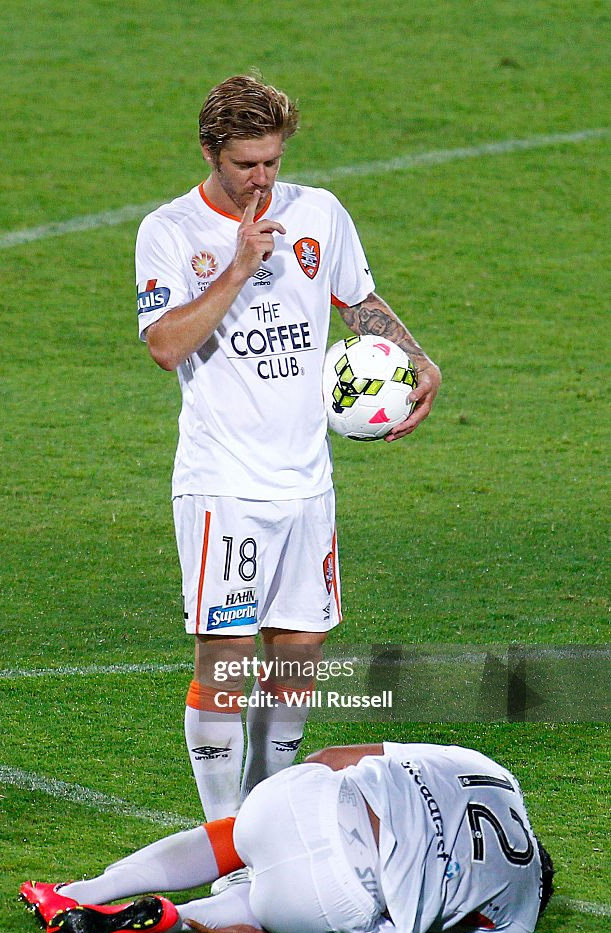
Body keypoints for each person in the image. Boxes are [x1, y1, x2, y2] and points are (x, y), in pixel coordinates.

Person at [135, 75, 442, 822]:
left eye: (271, 161)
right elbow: (166, 345)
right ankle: (221, 835)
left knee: (298, 656)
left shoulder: (319, 213)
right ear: (211, 152)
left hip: (307, 479)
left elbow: (357, 299)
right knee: (225, 662)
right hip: (223, 482)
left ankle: (264, 822)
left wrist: (414, 356)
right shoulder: (169, 231)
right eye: (245, 164)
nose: (261, 178)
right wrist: (237, 265)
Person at [19, 740, 553, 933]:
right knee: (265, 904)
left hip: (302, 809)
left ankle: (85, 889)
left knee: (238, 835)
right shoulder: (519, 916)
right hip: (330, 899)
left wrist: (286, 801)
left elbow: (335, 755)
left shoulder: (491, 769)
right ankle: (174, 918)